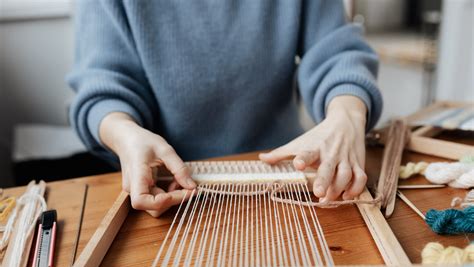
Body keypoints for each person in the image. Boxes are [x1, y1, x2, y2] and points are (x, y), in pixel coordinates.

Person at [69, 0, 383, 216]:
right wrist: (124, 133)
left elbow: (334, 51)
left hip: (289, 178)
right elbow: (103, 86)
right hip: (171, 190)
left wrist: (347, 114)